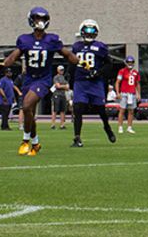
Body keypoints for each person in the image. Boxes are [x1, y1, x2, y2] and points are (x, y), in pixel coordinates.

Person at [1, 7, 80, 156]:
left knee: (26, 106)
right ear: (31, 20)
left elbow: (67, 54)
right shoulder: (25, 39)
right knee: (29, 111)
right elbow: (14, 56)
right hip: (28, 80)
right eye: (37, 18)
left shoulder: (51, 39)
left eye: (43, 19)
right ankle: (36, 143)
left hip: (43, 80)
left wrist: (80, 62)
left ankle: (25, 141)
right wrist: (4, 64)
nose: (40, 22)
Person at [69, 19, 117, 147]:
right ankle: (77, 137)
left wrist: (98, 73)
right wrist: (71, 81)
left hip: (95, 83)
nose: (89, 34)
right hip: (80, 82)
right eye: (87, 32)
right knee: (78, 109)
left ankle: (107, 128)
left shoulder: (100, 47)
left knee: (101, 110)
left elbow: (109, 64)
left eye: (92, 32)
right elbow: (72, 64)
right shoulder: (76, 47)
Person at [116, 56, 140, 134]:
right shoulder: (122, 71)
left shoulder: (135, 72)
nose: (130, 64)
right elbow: (117, 82)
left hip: (132, 93)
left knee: (131, 111)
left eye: (131, 62)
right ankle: (120, 127)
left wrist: (138, 94)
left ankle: (129, 127)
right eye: (129, 62)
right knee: (122, 110)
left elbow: (137, 84)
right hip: (124, 93)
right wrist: (118, 92)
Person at [0, 64, 18, 130]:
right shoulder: (3, 80)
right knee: (5, 114)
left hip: (9, 100)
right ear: (5, 73)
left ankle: (4, 125)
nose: (10, 73)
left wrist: (14, 98)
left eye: (10, 72)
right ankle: (4, 126)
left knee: (7, 114)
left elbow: (11, 90)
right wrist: (4, 96)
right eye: (8, 72)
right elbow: (0, 88)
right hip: (4, 100)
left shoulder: (11, 81)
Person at [49, 66, 70, 130]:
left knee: (63, 110)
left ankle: (62, 125)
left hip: (63, 95)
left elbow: (67, 87)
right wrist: (64, 86)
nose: (62, 71)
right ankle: (53, 124)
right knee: (55, 110)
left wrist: (62, 86)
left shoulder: (64, 77)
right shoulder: (56, 77)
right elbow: (57, 86)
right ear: (57, 70)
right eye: (61, 70)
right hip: (57, 95)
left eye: (62, 70)